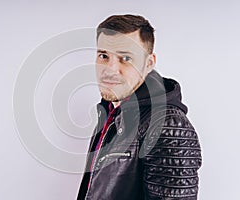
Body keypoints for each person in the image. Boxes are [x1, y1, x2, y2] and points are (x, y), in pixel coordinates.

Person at [77, 14, 202, 200]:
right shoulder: (111, 112)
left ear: (149, 63)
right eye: (103, 55)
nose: (110, 69)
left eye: (125, 58)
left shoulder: (166, 124)